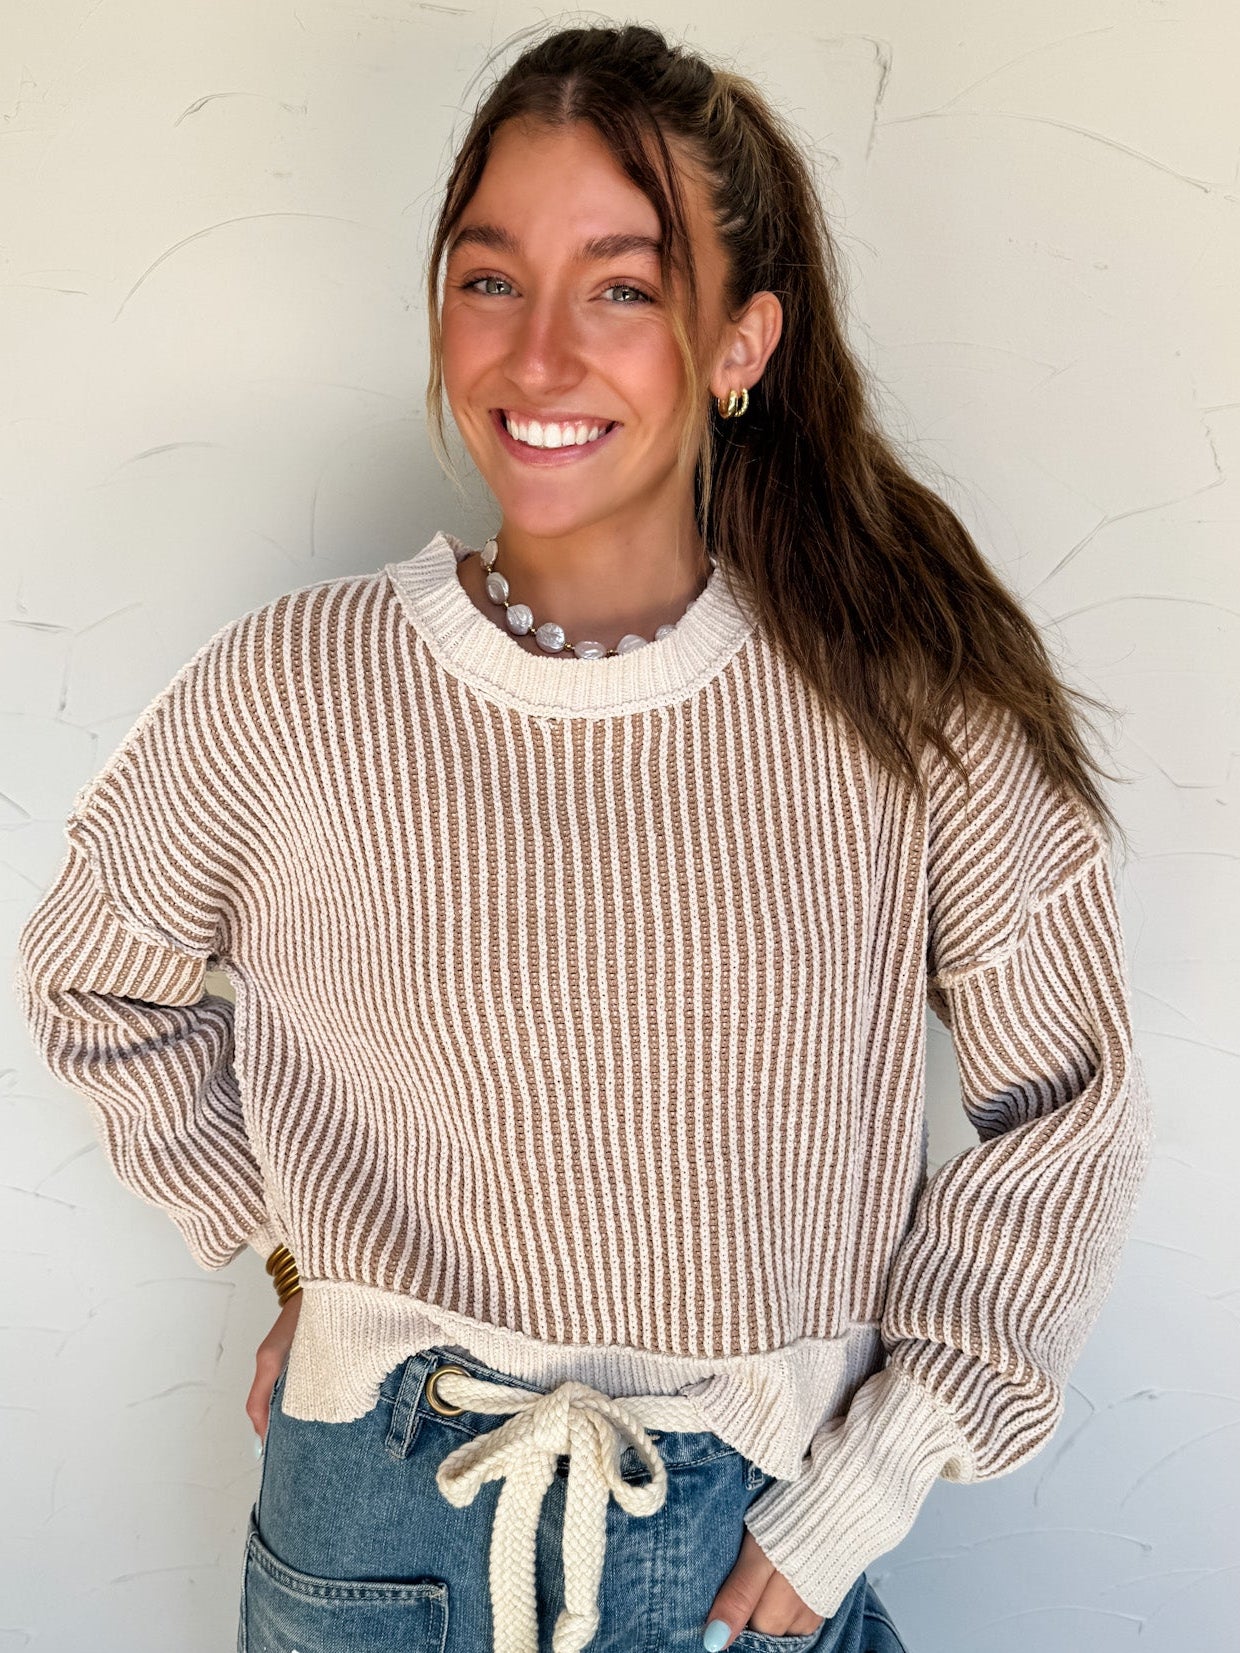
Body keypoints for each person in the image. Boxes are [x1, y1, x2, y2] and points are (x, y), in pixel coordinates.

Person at [13, 21, 1153, 1653]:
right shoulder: (298, 685)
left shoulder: (902, 709)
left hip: (738, 1551)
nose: (538, 356)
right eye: (491, 279)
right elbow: (94, 977)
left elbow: (1071, 1110)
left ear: (742, 343)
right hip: (365, 1543)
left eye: (621, 288)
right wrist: (299, 1269)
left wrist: (873, 1477)